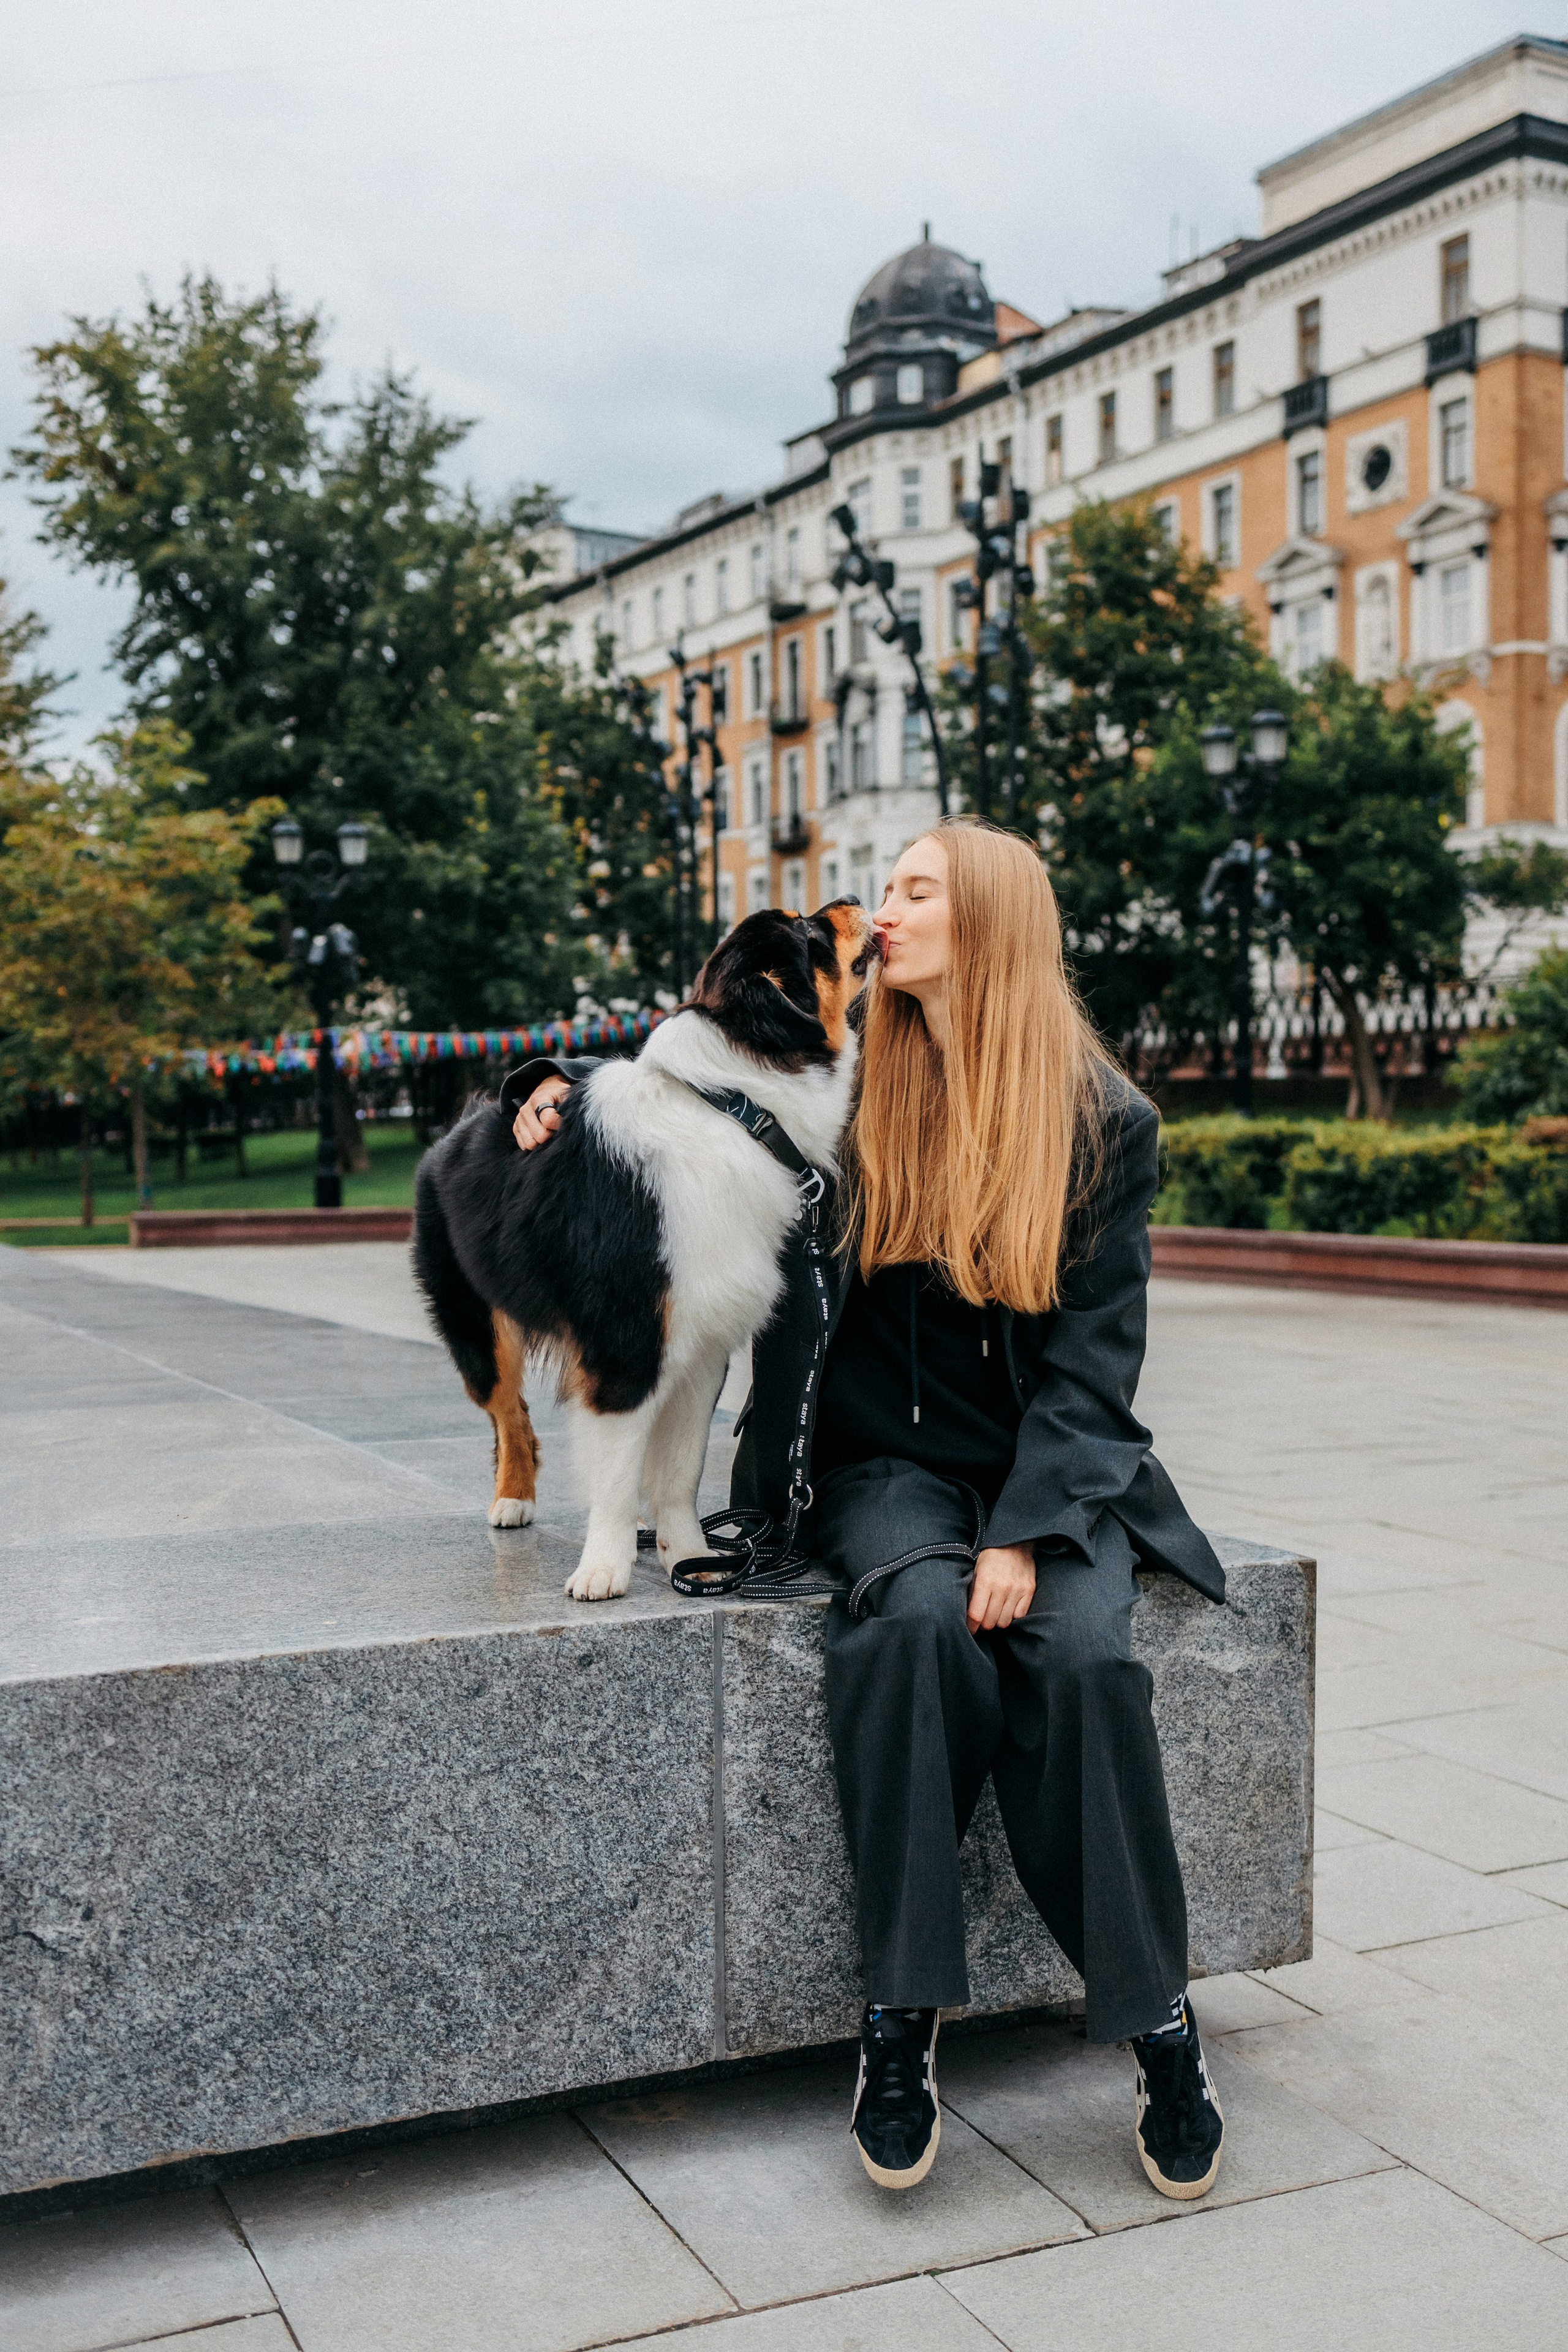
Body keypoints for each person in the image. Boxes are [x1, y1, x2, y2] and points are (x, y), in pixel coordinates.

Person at [510, 819, 1226, 2203]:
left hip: (1049, 1474)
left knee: (1084, 1663)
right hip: (880, 1472)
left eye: (911, 892)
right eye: (884, 891)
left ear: (991, 926)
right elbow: (679, 1072)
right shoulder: (847, 1087)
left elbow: (1094, 1368)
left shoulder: (1099, 1119)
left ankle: (1159, 2022)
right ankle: (898, 2021)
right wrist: (536, 1087)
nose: (880, 914)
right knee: (909, 1633)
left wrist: (1020, 1533)